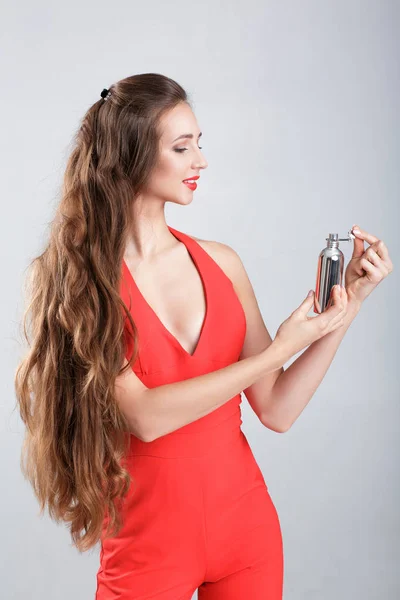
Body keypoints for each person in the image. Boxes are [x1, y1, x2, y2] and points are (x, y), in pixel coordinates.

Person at [14, 73, 393, 600]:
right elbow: (145, 418)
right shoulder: (84, 282)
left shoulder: (222, 263)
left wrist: (346, 306)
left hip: (247, 535)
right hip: (147, 548)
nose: (201, 161)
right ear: (130, 155)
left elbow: (277, 409)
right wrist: (280, 349)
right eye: (181, 147)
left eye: (200, 144)